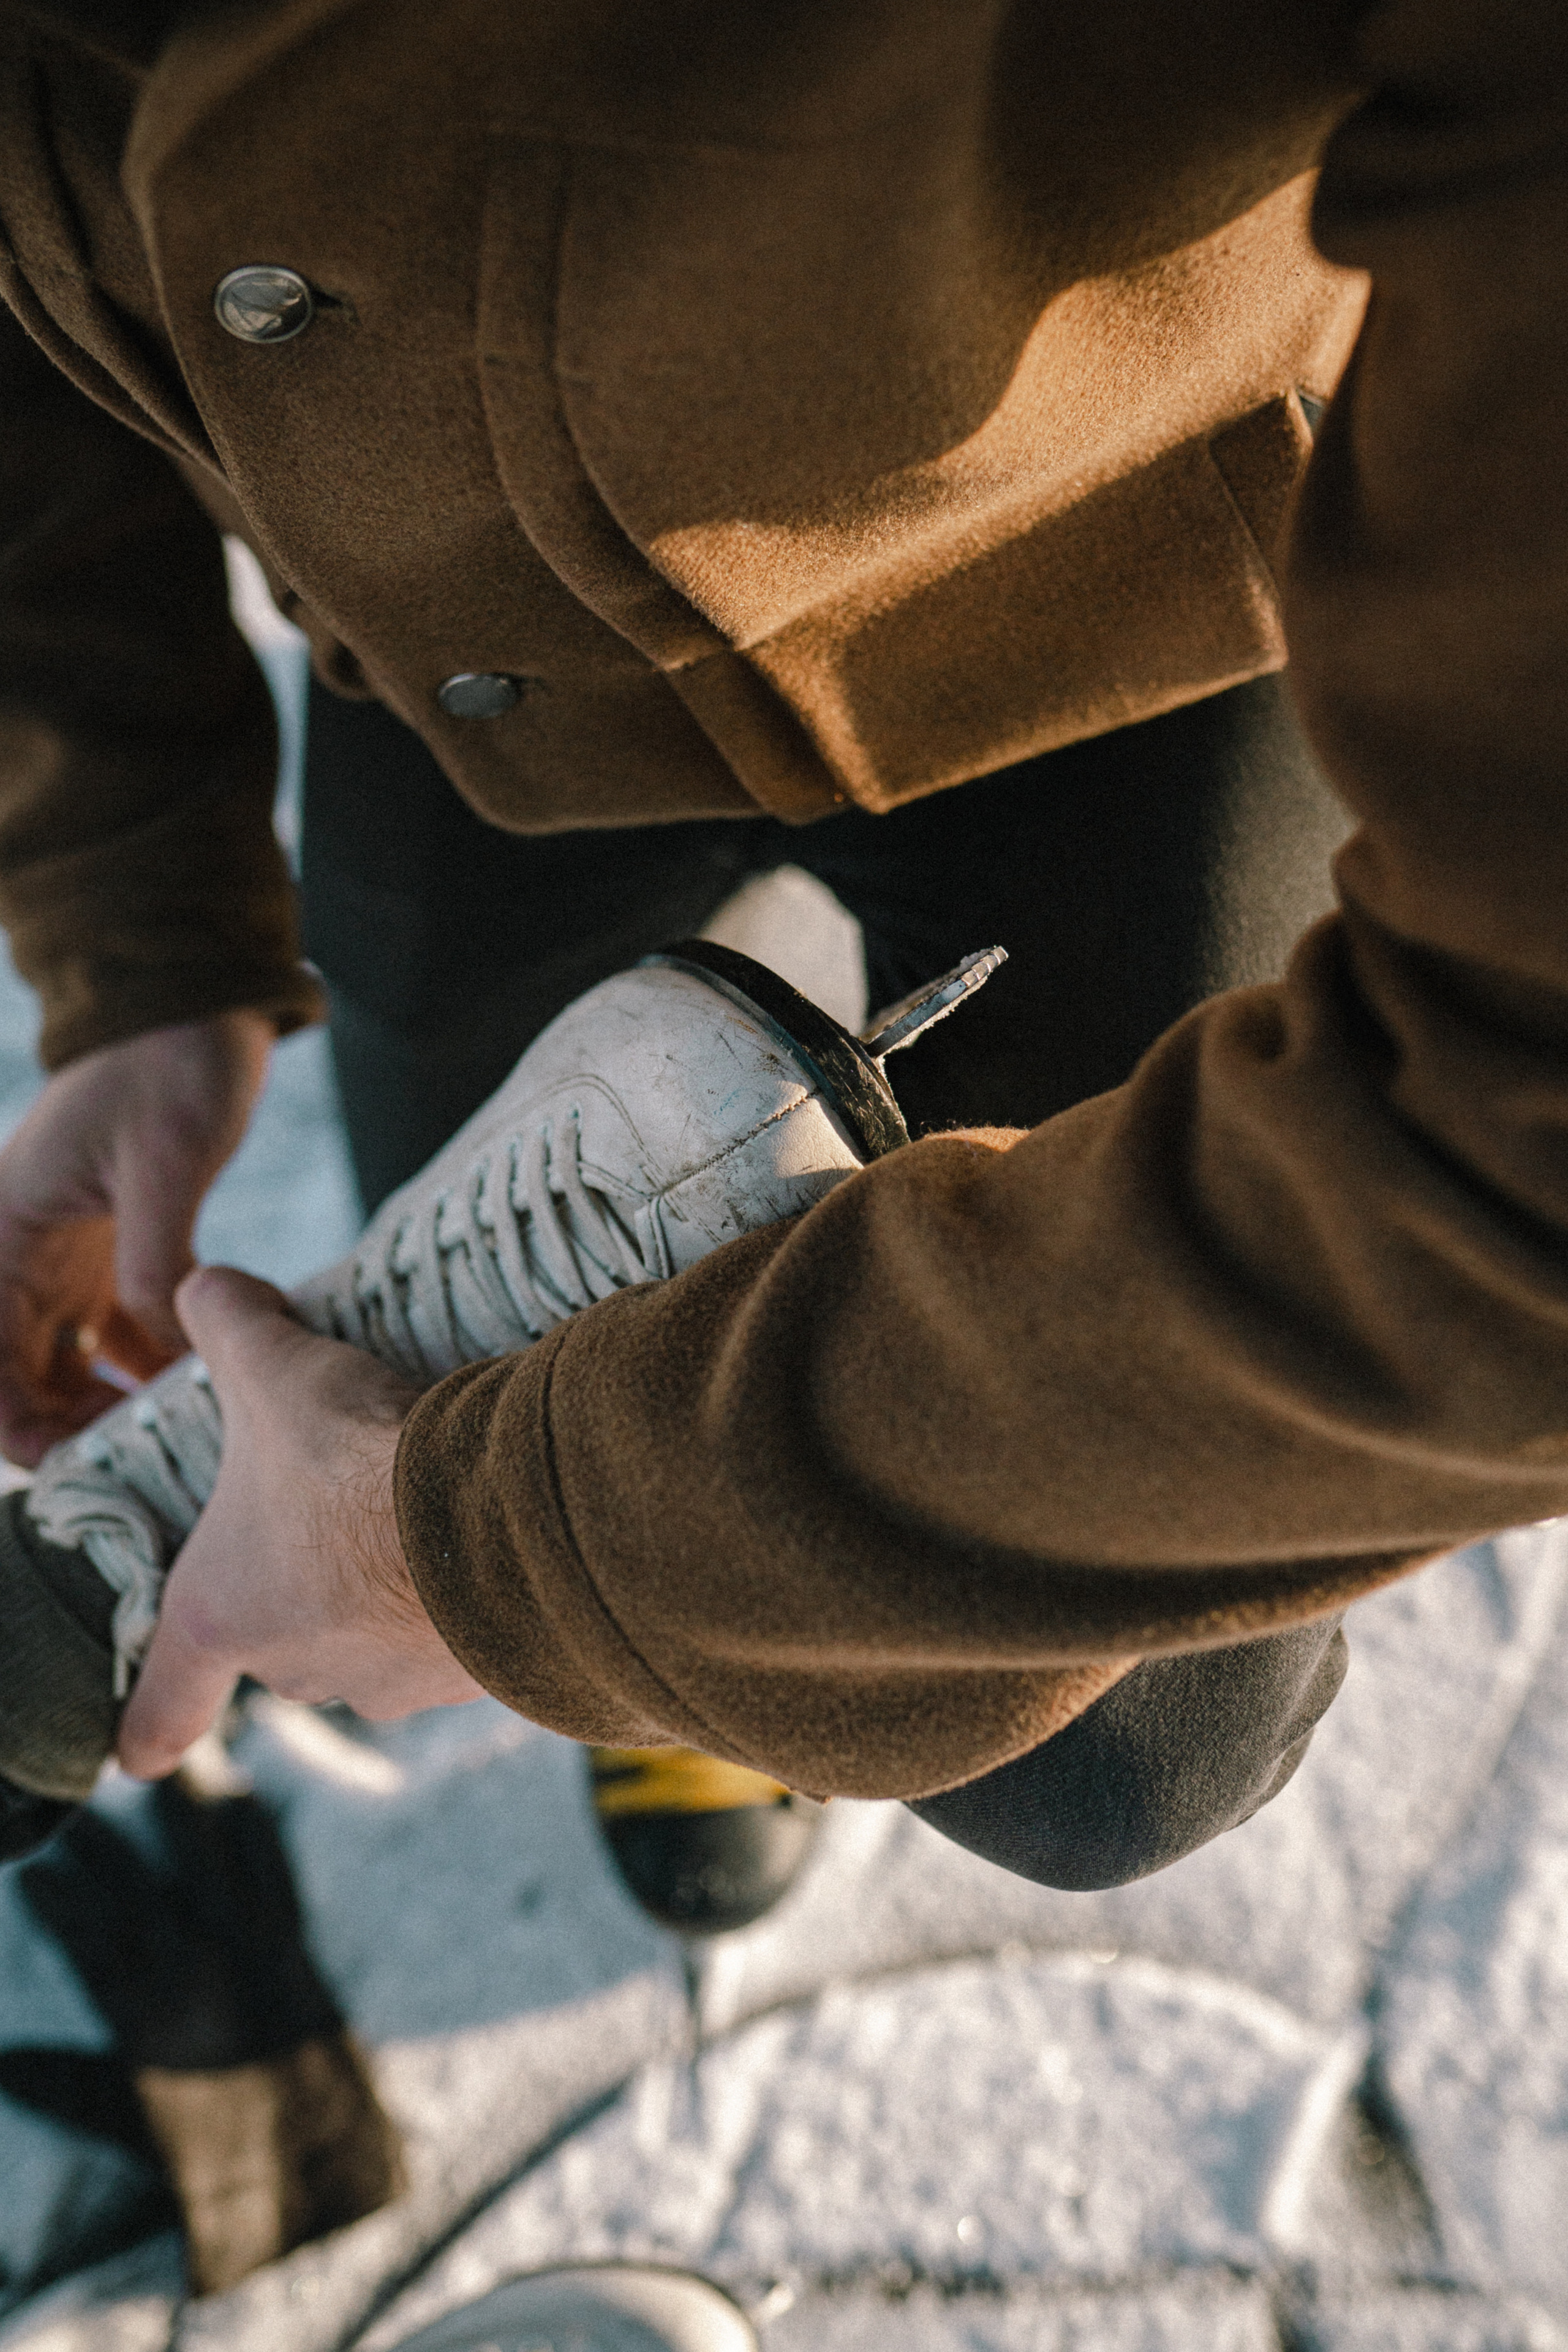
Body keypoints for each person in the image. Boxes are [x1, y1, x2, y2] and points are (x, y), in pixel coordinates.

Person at [0, 0, 1562, 1901]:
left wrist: (526, 1571)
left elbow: (1514, 1197)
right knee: (440, 1350)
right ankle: (693, 1621)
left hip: (1123, 584)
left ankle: (703, 1651)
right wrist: (140, 922)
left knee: (1124, 1744)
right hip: (476, 685)